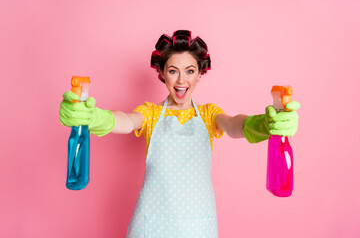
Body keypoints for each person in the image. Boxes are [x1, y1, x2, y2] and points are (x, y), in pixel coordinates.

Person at [59, 30, 300, 238]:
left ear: (199, 74)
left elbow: (234, 124)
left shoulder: (208, 115)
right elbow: (125, 120)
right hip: (151, 224)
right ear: (162, 73)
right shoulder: (151, 113)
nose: (182, 80)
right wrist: (93, 118)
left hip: (197, 225)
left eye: (189, 71)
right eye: (173, 71)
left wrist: (266, 124)